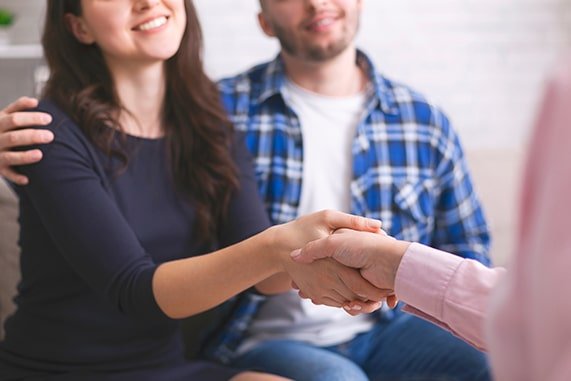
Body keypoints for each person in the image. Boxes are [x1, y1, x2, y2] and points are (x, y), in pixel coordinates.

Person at [0, 0, 492, 380]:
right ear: (77, 26)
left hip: (169, 362)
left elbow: (270, 273)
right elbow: (136, 290)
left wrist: (339, 258)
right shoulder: (46, 132)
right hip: (64, 367)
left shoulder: (210, 124)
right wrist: (282, 245)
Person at [292, 54, 571, 381]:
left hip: (391, 326)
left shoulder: (425, 119)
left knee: (485, 364)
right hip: (285, 337)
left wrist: (395, 270)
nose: (316, 1)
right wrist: (391, 265)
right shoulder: (228, 112)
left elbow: (468, 246)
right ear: (264, 20)